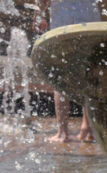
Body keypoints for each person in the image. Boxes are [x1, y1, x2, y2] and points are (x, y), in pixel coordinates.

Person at [33, 0, 100, 143]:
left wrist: (39, 16)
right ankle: (87, 129)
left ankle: (63, 132)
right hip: (89, 17)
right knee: (88, 72)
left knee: (61, 73)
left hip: (64, 19)